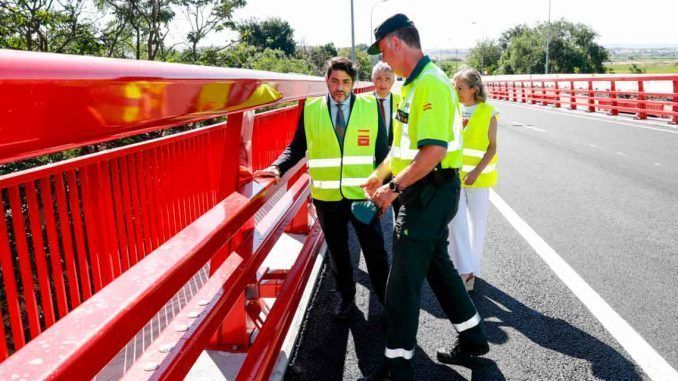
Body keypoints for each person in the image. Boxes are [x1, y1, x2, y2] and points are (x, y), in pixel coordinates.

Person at [360, 14, 489, 380]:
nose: (382, 59)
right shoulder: (409, 86)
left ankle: (397, 364)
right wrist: (380, 174)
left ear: (397, 43)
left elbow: (432, 152)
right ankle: (473, 334)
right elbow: (402, 147)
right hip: (424, 189)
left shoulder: (430, 85)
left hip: (429, 190)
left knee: (402, 280)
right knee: (438, 267)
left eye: (383, 49)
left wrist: (393, 189)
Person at [254, 57, 389, 321]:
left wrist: (383, 194)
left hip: (362, 195)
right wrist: (278, 167)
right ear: (326, 80)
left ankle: (386, 299)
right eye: (335, 81)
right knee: (338, 252)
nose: (340, 87)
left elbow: (383, 154)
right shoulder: (312, 109)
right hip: (327, 197)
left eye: (346, 82)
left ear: (353, 84)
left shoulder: (371, 108)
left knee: (375, 250)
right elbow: (297, 146)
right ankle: (346, 297)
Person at [447, 67, 499, 292]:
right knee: (455, 224)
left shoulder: (489, 111)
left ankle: (471, 271)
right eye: (454, 87)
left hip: (479, 178)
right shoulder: (453, 109)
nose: (456, 91)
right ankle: (463, 270)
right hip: (454, 177)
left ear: (473, 88)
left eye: (460, 87)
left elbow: (492, 147)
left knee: (476, 226)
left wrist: (476, 171)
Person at [371, 61, 401, 146]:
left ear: (393, 81)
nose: (383, 84)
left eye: (387, 79)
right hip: (371, 151)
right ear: (373, 80)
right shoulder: (363, 101)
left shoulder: (401, 102)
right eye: (379, 79)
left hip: (393, 151)